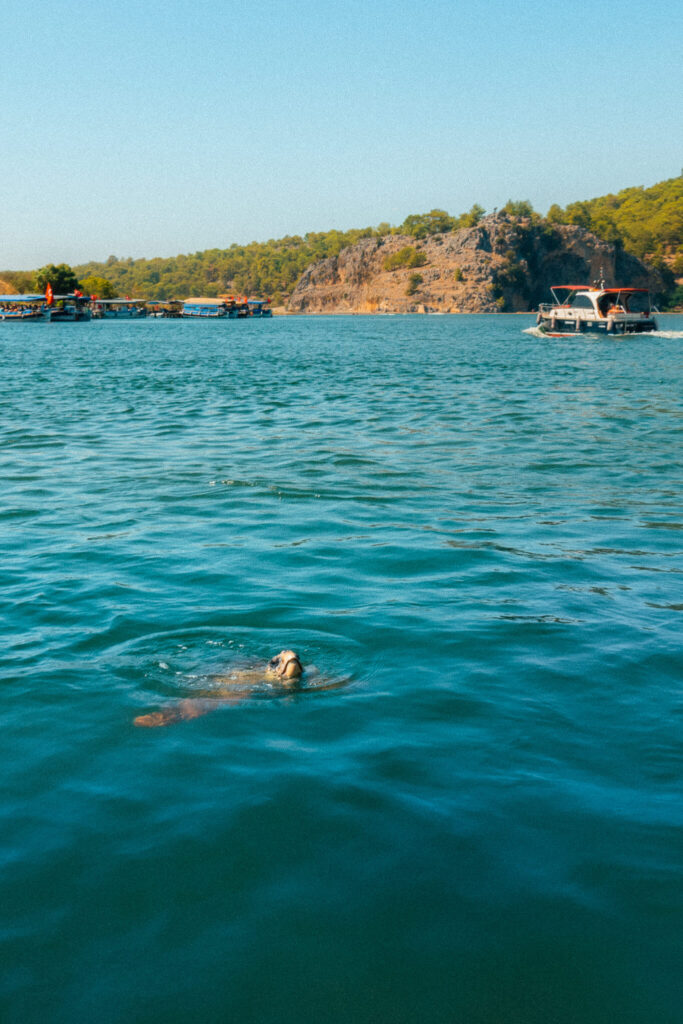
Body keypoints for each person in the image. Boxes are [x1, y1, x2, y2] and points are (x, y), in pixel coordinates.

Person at [134, 650, 306, 728]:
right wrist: (169, 714)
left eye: (296, 658)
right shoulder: (240, 686)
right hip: (225, 670)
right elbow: (202, 702)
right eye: (276, 663)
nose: (290, 658)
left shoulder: (310, 677)